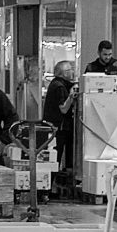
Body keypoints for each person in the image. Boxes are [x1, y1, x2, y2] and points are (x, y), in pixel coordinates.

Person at [43, 60, 79, 190]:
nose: (72, 72)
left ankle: (48, 187)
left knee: (54, 157)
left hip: (53, 126)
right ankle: (48, 188)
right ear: (63, 73)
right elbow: (63, 109)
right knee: (55, 157)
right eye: (70, 70)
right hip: (58, 128)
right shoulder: (59, 87)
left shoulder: (56, 84)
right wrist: (71, 97)